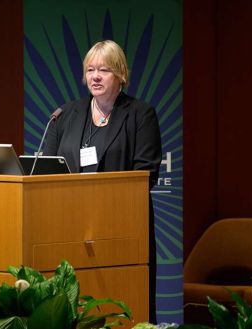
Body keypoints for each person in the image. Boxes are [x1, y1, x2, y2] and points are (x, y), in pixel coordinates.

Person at [43, 40, 162, 322]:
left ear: (121, 74)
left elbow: (146, 175)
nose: (95, 76)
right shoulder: (65, 115)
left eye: (104, 70)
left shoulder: (140, 115)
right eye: (90, 70)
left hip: (122, 229)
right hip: (69, 226)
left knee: (121, 309)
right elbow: (46, 169)